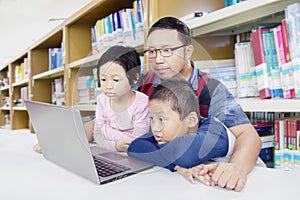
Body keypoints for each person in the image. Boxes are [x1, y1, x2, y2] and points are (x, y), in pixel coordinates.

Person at [137, 16, 262, 191]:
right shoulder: (146, 81)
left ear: (188, 51)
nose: (158, 60)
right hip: (158, 174)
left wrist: (236, 167)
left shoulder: (212, 89)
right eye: (152, 51)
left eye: (167, 50)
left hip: (198, 182)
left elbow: (248, 136)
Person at [128, 77, 240, 185]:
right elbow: (135, 147)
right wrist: (176, 166)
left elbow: (184, 155)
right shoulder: (167, 134)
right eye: (152, 118)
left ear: (191, 120)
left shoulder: (214, 132)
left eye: (161, 119)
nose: (155, 128)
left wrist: (155, 153)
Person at [93, 45, 150, 152]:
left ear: (134, 79)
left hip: (136, 155)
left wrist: (106, 130)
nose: (108, 86)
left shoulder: (142, 103)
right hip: (110, 151)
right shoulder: (102, 100)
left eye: (115, 80)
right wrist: (115, 146)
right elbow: (97, 135)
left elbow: (138, 141)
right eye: (104, 79)